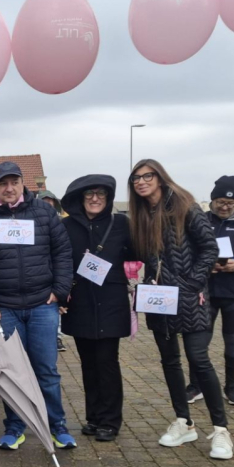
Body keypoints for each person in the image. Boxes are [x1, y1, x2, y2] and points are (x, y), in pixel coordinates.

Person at [0, 161, 76, 450]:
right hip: (4, 309)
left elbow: (63, 253)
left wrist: (59, 292)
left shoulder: (44, 212)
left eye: (14, 182)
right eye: (3, 183)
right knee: (12, 371)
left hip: (42, 305)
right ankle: (15, 427)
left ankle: (57, 426)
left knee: (46, 370)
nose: (9, 188)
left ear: (23, 183)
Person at [128, 159, 232, 460]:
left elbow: (209, 248)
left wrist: (191, 283)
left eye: (147, 176)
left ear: (160, 178)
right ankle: (184, 421)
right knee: (169, 360)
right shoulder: (141, 214)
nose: (141, 182)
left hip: (189, 297)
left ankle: (221, 429)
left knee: (199, 359)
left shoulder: (185, 205)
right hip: (158, 298)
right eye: (136, 178)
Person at [58, 175, 134, 443]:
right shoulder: (66, 226)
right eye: (89, 194)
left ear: (108, 197)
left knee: (107, 362)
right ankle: (93, 417)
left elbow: (140, 251)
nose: (94, 198)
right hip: (80, 302)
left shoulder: (121, 224)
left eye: (100, 193)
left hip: (111, 301)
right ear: (80, 198)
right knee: (88, 363)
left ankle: (110, 421)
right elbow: (58, 259)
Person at [186, 176, 234, 406]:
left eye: (230, 204)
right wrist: (203, 266)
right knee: (198, 342)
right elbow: (190, 251)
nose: (225, 207)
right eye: (220, 201)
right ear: (212, 201)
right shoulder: (200, 221)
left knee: (233, 341)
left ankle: (231, 387)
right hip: (205, 292)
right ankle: (195, 386)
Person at [37, 189, 68, 352]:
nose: (48, 205)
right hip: (40, 276)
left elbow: (64, 253)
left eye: (50, 202)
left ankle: (57, 337)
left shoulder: (60, 223)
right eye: (44, 202)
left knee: (56, 308)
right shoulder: (32, 222)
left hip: (55, 275)